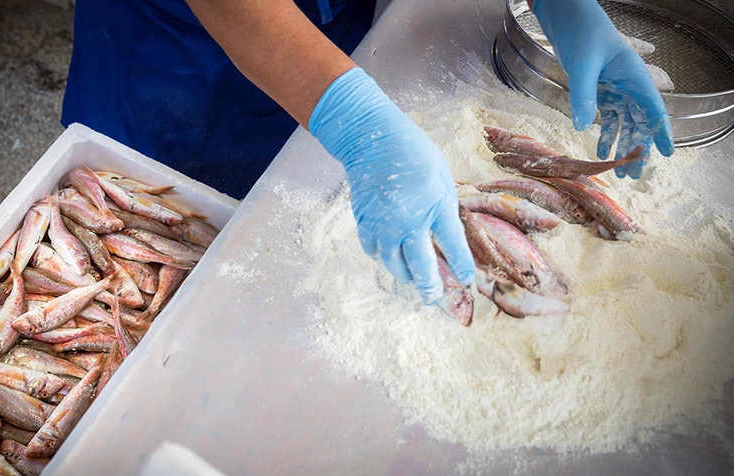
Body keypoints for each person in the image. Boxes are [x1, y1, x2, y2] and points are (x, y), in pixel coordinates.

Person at [62, 0, 674, 306]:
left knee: (308, 177)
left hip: (325, 17)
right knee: (184, 233)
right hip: (183, 49)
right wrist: (355, 122)